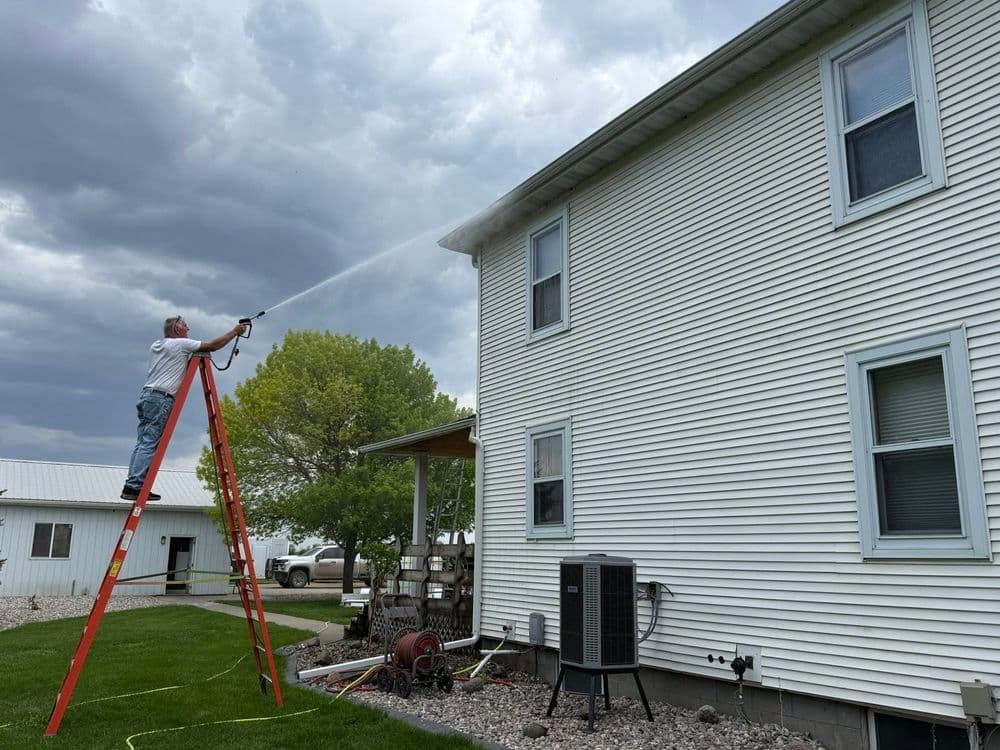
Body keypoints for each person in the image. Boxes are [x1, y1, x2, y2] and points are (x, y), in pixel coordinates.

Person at [121, 315, 247, 501]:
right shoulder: (180, 344)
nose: (188, 329)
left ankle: (133, 484)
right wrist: (235, 331)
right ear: (177, 329)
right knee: (148, 443)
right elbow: (212, 345)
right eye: (185, 326)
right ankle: (134, 486)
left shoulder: (157, 345)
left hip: (148, 397)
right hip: (161, 399)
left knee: (143, 442)